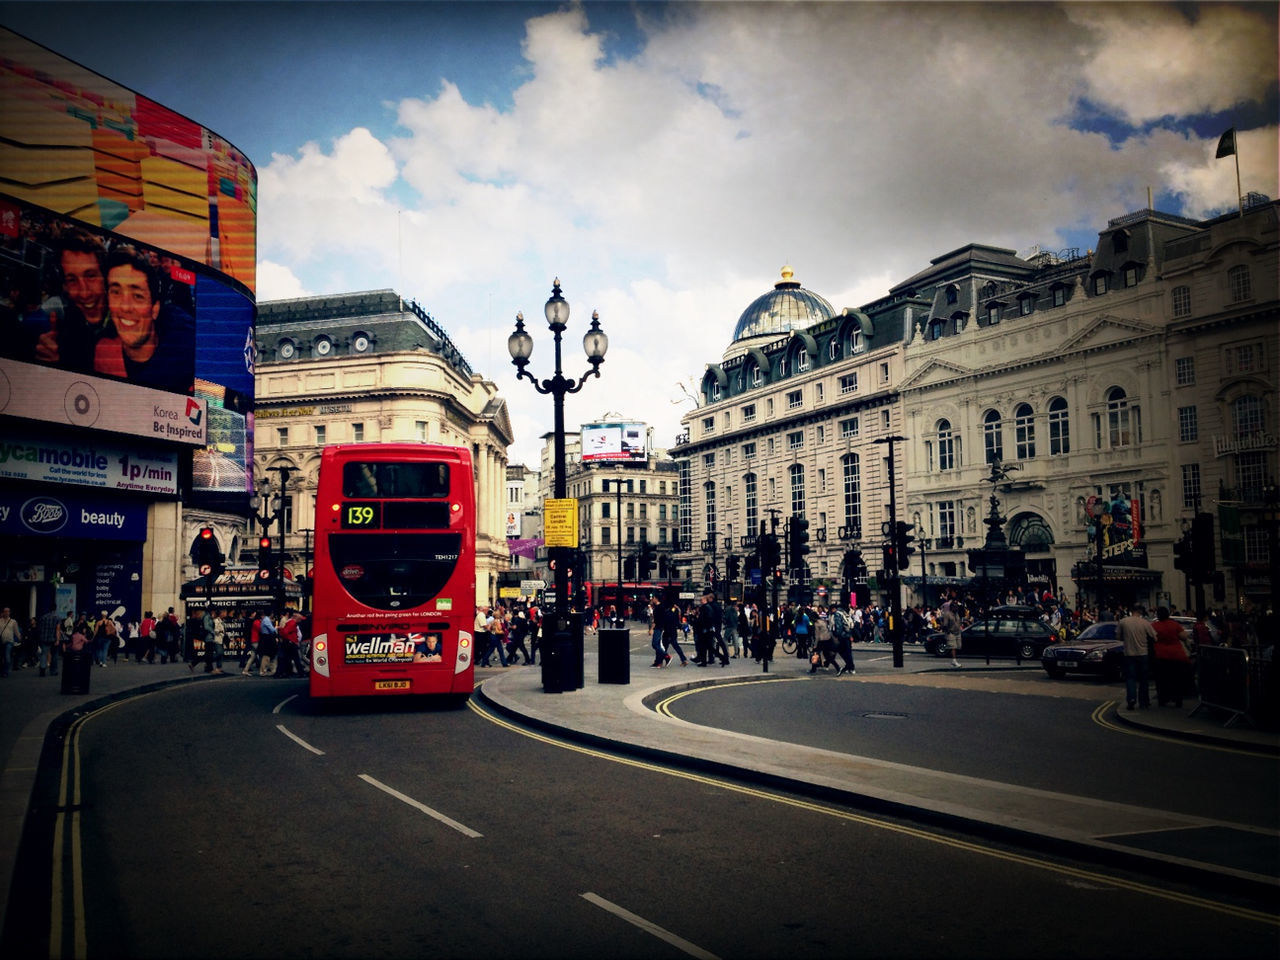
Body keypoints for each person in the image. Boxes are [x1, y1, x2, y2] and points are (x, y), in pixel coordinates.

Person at [102, 244, 196, 392]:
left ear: (155, 309)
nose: (125, 307)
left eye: (137, 296)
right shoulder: (102, 353)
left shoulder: (187, 345)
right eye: (116, 292)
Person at [34, 230, 112, 372]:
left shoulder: (130, 325)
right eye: (72, 280)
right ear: (64, 285)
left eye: (91, 276)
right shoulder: (62, 334)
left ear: (105, 277)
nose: (84, 292)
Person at [1117, 603, 1157, 710]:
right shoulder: (1145, 623)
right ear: (1140, 611)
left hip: (1129, 654)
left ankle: (1131, 699)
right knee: (1144, 679)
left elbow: (1119, 637)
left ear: (1131, 611)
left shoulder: (1123, 622)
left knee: (1130, 678)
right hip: (1143, 653)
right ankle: (1144, 701)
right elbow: (1154, 637)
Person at [1151, 606, 1191, 708]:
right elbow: (1184, 636)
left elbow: (1151, 638)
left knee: (1162, 680)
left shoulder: (1154, 626)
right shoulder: (1174, 624)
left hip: (1161, 655)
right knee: (1177, 679)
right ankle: (1178, 700)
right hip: (1176, 655)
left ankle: (1163, 699)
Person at [831, 602, 856, 676]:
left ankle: (849, 666)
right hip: (848, 635)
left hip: (842, 636)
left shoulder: (837, 614)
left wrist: (837, 636)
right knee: (848, 652)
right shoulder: (844, 612)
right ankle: (851, 668)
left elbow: (839, 627)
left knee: (842, 652)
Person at [275, 611, 304, 677]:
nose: (300, 620)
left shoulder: (290, 622)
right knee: (295, 659)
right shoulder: (292, 623)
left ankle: (284, 673)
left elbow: (285, 631)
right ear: (296, 618)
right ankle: (300, 672)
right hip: (291, 643)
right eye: (300, 618)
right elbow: (285, 632)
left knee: (286, 658)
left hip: (288, 642)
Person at [37, 605, 62, 677]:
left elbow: (40, 628)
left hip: (44, 639)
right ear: (56, 609)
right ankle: (53, 671)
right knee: (54, 655)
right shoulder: (57, 618)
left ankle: (42, 669)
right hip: (53, 639)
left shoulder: (43, 617)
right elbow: (58, 629)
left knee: (44, 654)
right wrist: (58, 639)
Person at [939, 599, 962, 668]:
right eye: (955, 607)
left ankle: (953, 659)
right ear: (951, 607)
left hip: (957, 632)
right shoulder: (947, 614)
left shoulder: (957, 614)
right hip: (951, 632)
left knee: (958, 646)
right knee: (953, 647)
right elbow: (945, 625)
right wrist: (948, 631)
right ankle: (954, 661)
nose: (956, 608)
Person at [0, 607, 21, 678]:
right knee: (2, 657)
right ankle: (2, 671)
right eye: (5, 611)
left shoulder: (13, 621)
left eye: (7, 611)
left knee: (7, 657)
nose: (6, 613)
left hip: (9, 642)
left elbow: (16, 632)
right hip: (1, 642)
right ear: (3, 612)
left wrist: (20, 639)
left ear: (9, 613)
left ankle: (5, 672)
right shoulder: (0, 621)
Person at [257, 611, 278, 677]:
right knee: (266, 655)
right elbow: (272, 630)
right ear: (271, 614)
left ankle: (272, 670)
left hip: (267, 638)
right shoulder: (266, 620)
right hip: (267, 638)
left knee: (271, 654)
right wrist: (276, 628)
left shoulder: (266, 620)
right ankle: (263, 671)